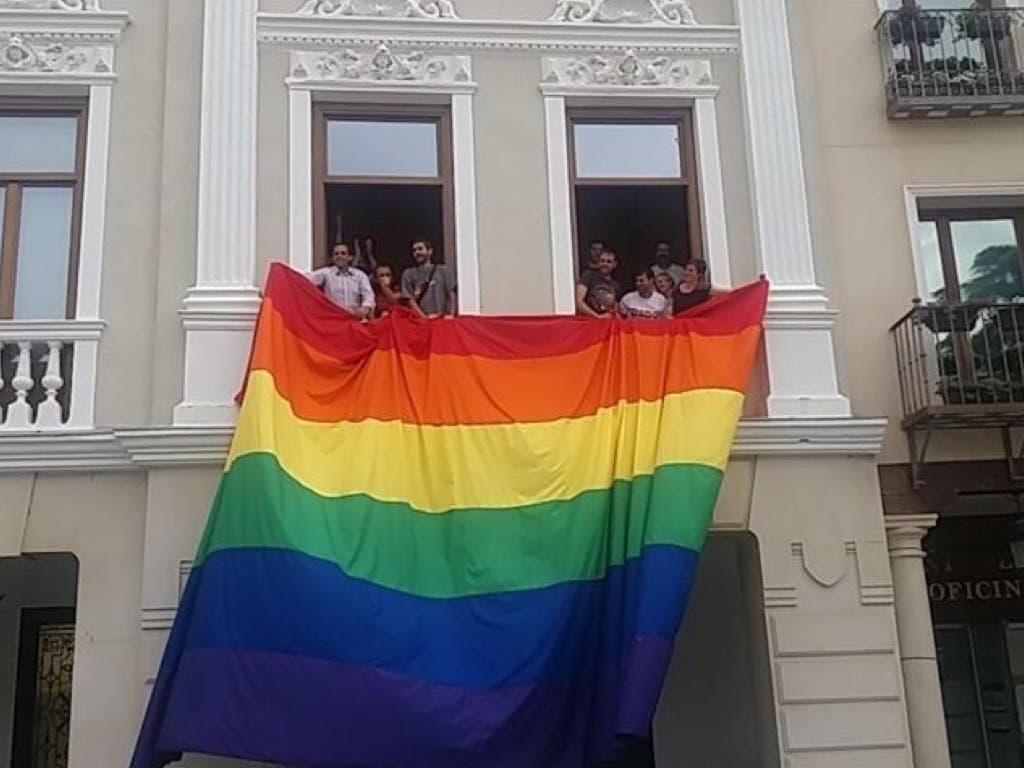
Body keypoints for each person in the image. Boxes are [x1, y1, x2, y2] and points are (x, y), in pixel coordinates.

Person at [306, 242, 375, 319]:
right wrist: (289, 272)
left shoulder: (359, 275)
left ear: (350, 257)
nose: (339, 256)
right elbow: (304, 279)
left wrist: (364, 309)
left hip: (354, 320)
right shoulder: (326, 273)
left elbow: (368, 295)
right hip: (334, 320)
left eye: (343, 253)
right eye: (336, 254)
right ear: (333, 258)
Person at [401, 238, 457, 317]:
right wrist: (424, 318)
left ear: (430, 251)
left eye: (420, 249)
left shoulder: (443, 271)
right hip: (420, 321)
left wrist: (451, 315)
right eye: (414, 250)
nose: (417, 252)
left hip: (442, 320)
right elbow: (410, 300)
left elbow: (451, 294)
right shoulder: (408, 274)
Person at [576, 250, 621, 318]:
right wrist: (597, 316)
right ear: (598, 262)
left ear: (614, 264)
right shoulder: (588, 275)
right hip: (588, 322)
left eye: (609, 261)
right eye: (602, 261)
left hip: (605, 323)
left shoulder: (615, 285)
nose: (605, 264)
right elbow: (579, 302)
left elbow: (614, 307)